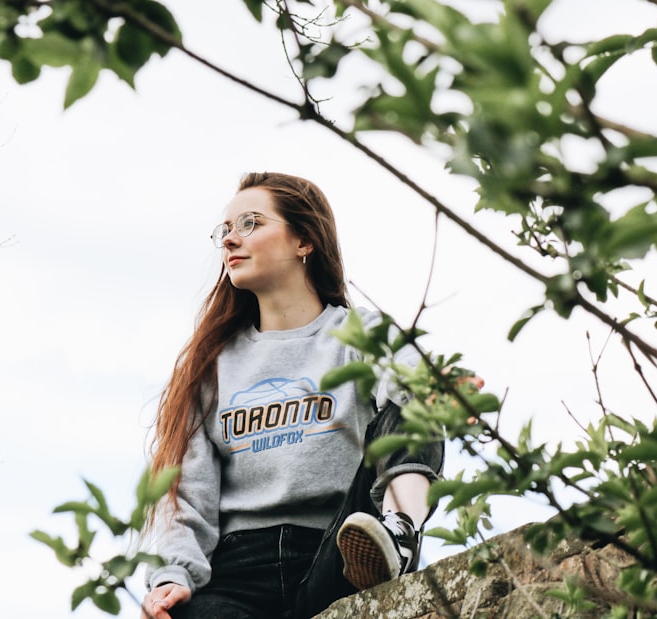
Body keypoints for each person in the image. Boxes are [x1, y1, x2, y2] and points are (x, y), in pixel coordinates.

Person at [141, 172, 468, 619]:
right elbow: (187, 494)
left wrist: (442, 391)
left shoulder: (361, 334)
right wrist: (172, 577)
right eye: (225, 230)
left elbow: (416, 385)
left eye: (251, 223)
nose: (230, 240)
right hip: (236, 573)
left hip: (339, 549)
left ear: (304, 241)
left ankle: (398, 535)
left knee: (417, 402)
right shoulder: (210, 365)